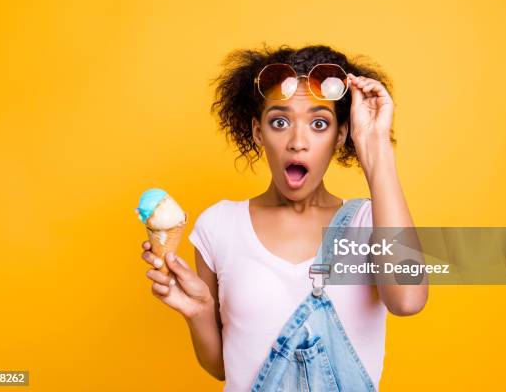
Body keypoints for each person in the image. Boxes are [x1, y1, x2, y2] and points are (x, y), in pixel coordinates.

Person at [141, 44, 428, 391]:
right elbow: (222, 368)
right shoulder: (218, 226)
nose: (297, 142)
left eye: (319, 123)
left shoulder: (370, 221)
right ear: (259, 131)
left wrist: (376, 143)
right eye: (280, 121)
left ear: (341, 135)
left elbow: (408, 300)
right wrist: (199, 312)